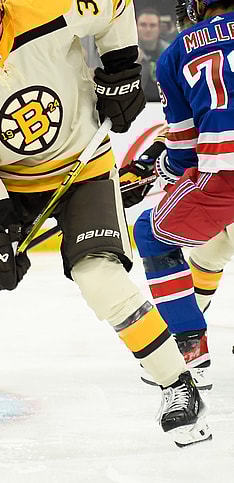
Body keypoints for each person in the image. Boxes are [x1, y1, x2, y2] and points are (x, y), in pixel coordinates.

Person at [0, 0, 210, 448]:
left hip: (82, 169)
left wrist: (122, 63)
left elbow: (114, 7)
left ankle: (176, 384)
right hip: (7, 187)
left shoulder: (45, 7)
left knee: (101, 278)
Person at [120, 0, 234, 396]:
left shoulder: (177, 52)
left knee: (152, 235)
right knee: (211, 252)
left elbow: (184, 153)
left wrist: (163, 170)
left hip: (225, 175)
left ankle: (188, 345)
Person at [136, 7, 170, 102]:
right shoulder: (126, 53)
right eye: (143, 25)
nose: (148, 29)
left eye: (152, 25)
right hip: (135, 106)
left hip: (163, 105)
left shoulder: (170, 52)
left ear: (159, 28)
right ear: (135, 27)